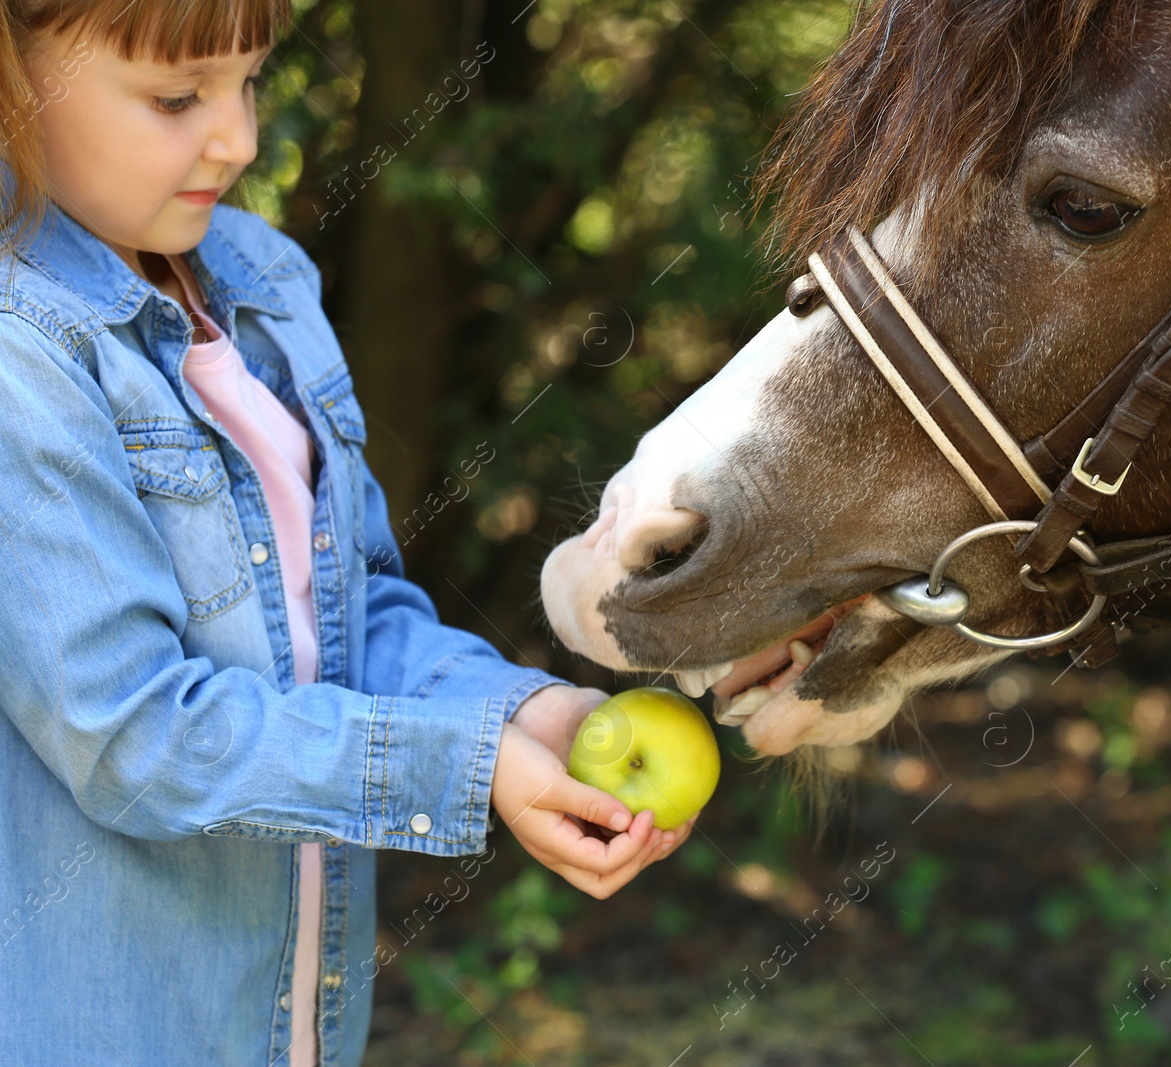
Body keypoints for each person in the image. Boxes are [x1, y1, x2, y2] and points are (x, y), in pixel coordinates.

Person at [0, 2, 696, 1064]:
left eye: (250, 82)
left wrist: (524, 713)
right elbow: (130, 734)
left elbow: (356, 612)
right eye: (178, 97)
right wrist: (464, 768)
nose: (236, 138)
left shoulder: (263, 282)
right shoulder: (24, 352)